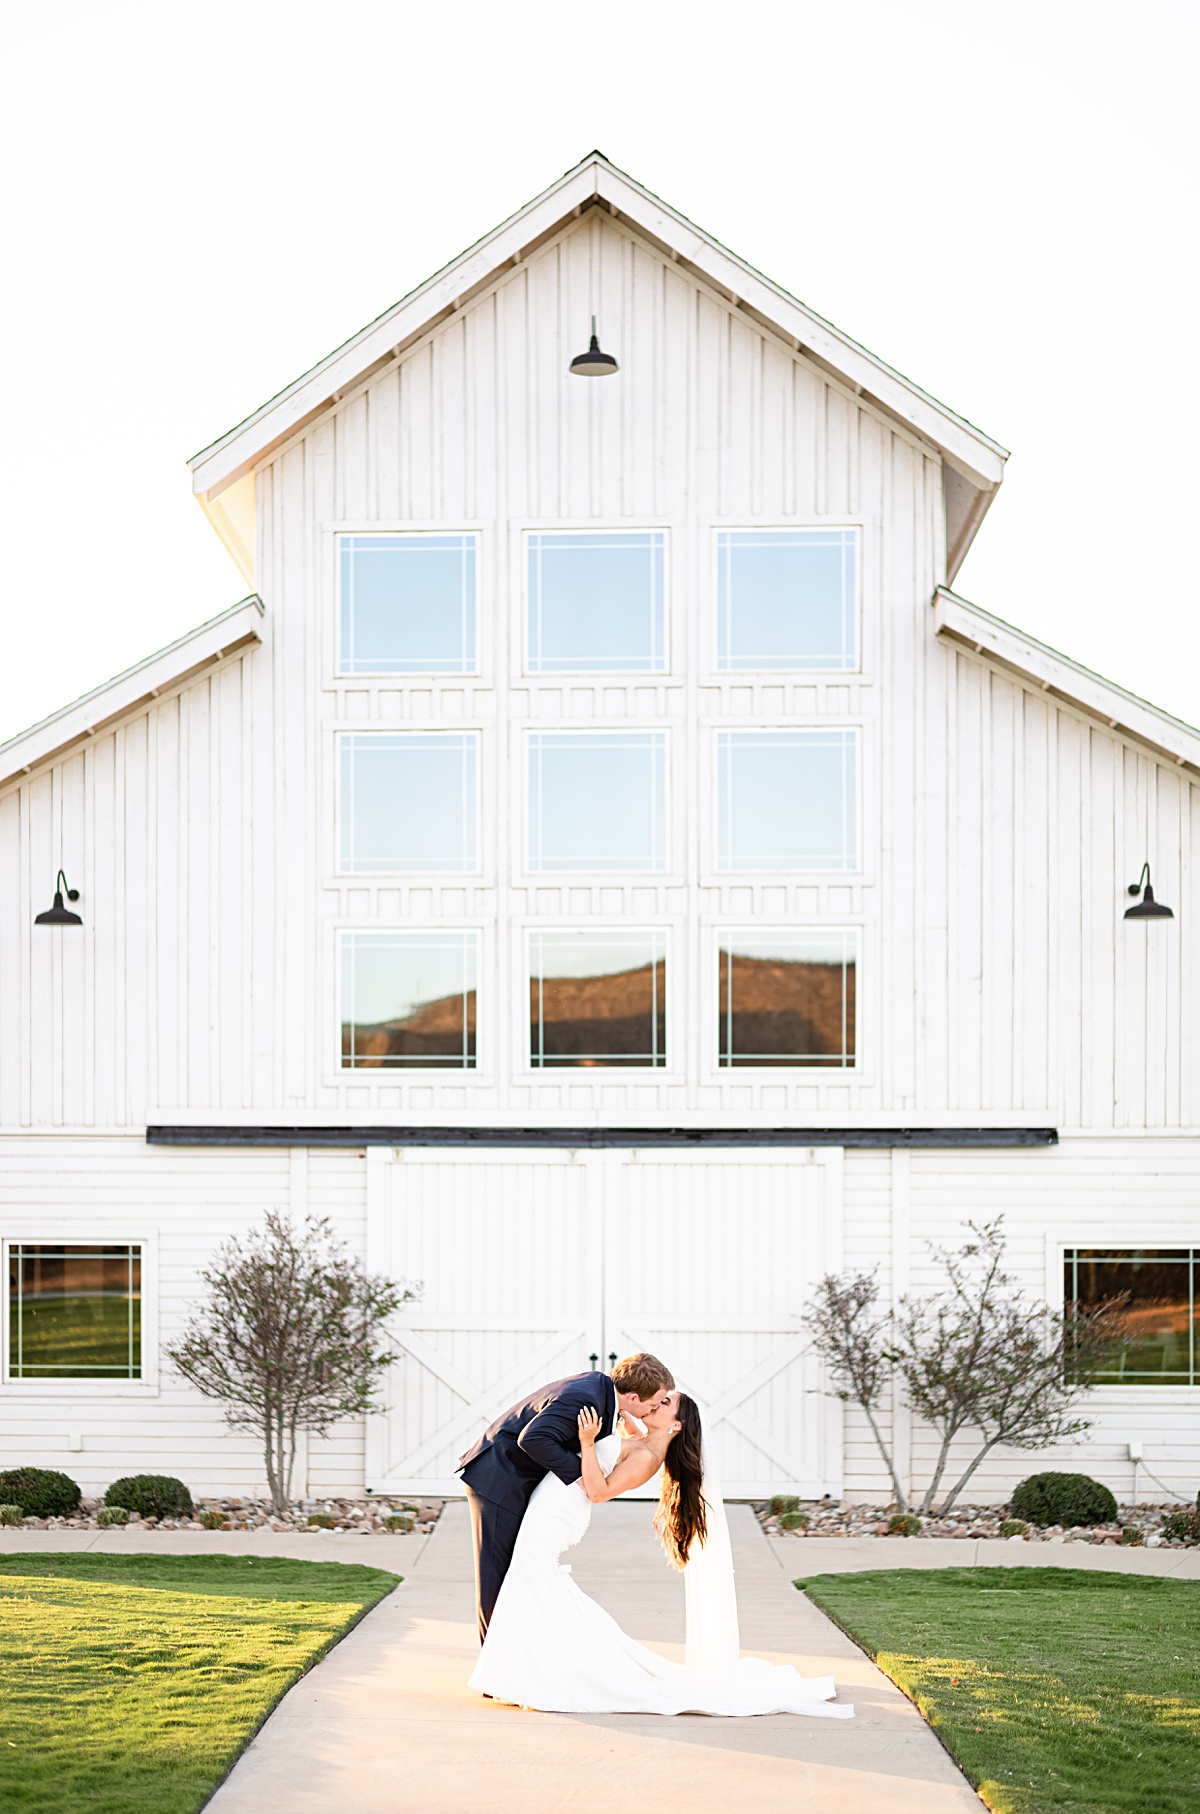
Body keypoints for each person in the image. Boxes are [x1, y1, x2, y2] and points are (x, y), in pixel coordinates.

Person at [468, 1389, 854, 1718]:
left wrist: (587, 1443)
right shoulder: (642, 1437)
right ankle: (528, 1667)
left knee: (532, 1576)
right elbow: (627, 1418)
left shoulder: (647, 1460)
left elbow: (598, 1492)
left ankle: (528, 1671)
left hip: (560, 1512)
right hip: (552, 1504)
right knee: (532, 1581)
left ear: (676, 1425)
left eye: (666, 1402)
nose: (657, 1403)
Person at [457, 1352, 676, 1643]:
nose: (654, 1409)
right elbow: (532, 1439)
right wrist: (583, 1477)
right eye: (653, 1403)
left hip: (519, 1483)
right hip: (499, 1480)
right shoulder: (586, 1399)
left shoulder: (602, 1392)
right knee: (497, 1574)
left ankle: (513, 1652)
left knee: (517, 1571)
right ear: (633, 1397)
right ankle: (493, 1662)